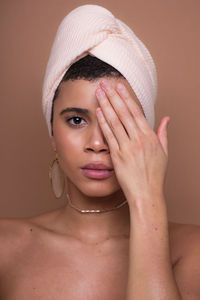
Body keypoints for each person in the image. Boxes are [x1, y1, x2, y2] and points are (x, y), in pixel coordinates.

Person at [0, 4, 200, 300]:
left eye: (117, 121)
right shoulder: (5, 247)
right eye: (76, 120)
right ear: (53, 133)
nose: (97, 143)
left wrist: (147, 199)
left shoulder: (192, 251)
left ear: (144, 136)